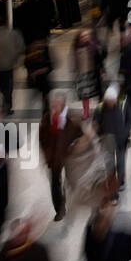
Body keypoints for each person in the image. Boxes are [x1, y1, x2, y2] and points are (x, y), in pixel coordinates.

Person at [39, 90, 83, 222]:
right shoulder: (47, 118)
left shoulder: (72, 118)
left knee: (70, 180)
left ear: (63, 105)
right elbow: (42, 138)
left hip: (68, 157)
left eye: (56, 105)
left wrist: (74, 146)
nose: (53, 107)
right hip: (54, 158)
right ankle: (59, 209)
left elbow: (80, 135)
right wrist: (47, 154)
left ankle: (72, 199)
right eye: (53, 105)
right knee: (55, 184)